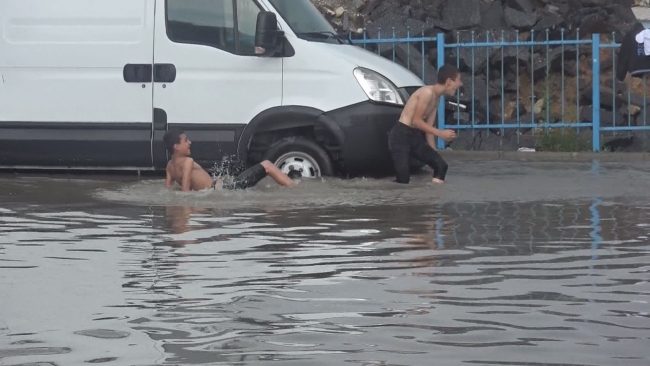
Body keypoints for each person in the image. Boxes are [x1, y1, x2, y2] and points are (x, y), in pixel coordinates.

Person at [388, 64, 462, 184]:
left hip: (415, 136)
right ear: (449, 81)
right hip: (400, 135)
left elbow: (429, 128)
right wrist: (441, 134)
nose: (460, 84)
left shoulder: (437, 98)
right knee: (403, 179)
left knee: (440, 165)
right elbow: (416, 121)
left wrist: (433, 154)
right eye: (459, 80)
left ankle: (433, 198)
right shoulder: (427, 93)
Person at [163, 129, 296, 191]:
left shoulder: (170, 166)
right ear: (177, 146)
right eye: (186, 140)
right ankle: (294, 189)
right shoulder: (188, 162)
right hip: (222, 188)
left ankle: (287, 181)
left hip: (220, 185)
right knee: (267, 165)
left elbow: (168, 190)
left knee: (238, 172)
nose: (190, 142)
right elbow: (185, 191)